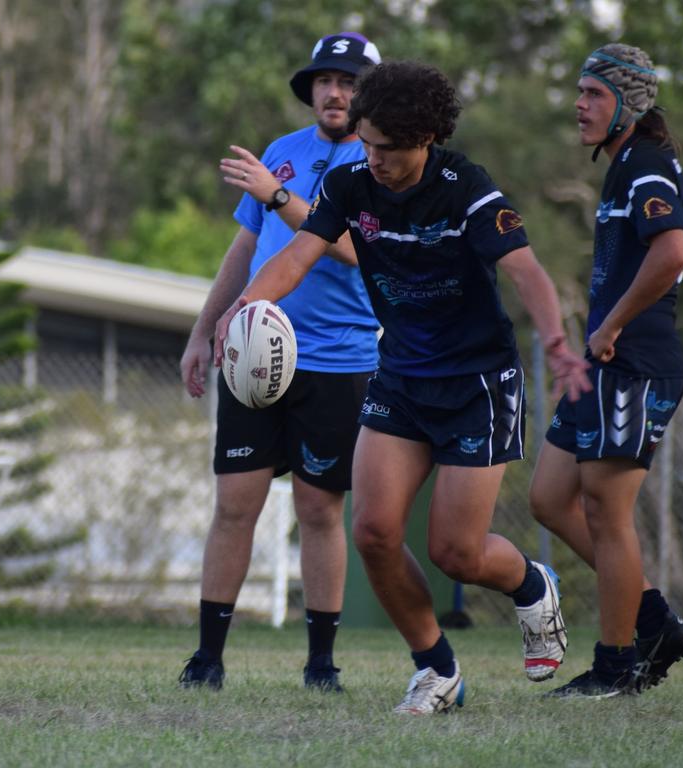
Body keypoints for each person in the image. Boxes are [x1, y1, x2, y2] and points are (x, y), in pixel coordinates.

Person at [213, 60, 592, 714]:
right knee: (374, 532)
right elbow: (299, 254)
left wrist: (556, 341)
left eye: (387, 149)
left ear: (425, 139)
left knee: (455, 552)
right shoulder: (351, 182)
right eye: (366, 143)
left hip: (476, 382)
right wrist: (240, 310)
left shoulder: (465, 188)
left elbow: (525, 270)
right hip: (403, 377)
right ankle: (436, 669)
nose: (374, 158)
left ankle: (532, 585)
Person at [178, 33, 383, 692]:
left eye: (349, 81)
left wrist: (276, 196)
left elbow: (354, 249)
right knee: (234, 505)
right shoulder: (282, 154)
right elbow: (246, 249)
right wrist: (204, 329)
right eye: (325, 79)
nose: (335, 91)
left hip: (337, 359)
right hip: (252, 351)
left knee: (319, 511)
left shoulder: (380, 164)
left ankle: (321, 664)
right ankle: (207, 658)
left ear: (369, 93)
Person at [530, 43, 683, 699]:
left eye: (594, 94)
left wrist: (612, 322)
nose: (580, 104)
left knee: (606, 511)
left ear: (628, 102)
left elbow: (674, 250)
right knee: (549, 497)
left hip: (637, 364)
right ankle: (653, 618)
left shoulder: (647, 164)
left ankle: (616, 665)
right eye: (580, 91)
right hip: (604, 365)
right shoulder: (621, 164)